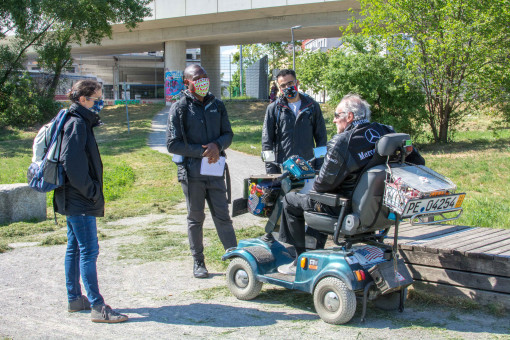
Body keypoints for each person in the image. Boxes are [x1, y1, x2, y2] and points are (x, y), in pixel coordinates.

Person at [277, 94, 425, 274]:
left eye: (336, 115)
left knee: (292, 200)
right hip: (383, 210)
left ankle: (299, 259)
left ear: (349, 117)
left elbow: (322, 186)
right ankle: (314, 249)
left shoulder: (342, 142)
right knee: (317, 199)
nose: (333, 120)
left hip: (345, 209)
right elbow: (419, 162)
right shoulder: (388, 132)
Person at [53, 80, 128, 323]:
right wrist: (92, 191)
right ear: (83, 99)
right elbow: (71, 164)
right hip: (80, 199)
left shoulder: (77, 121)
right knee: (89, 251)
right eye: (97, 99)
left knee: (75, 248)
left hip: (72, 198)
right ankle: (98, 307)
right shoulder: (77, 124)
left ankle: (75, 299)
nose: (101, 103)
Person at [166, 64, 237, 279]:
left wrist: (218, 145)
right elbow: (172, 144)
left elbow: (228, 134)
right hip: (192, 172)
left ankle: (235, 258)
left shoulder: (218, 105)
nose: (203, 81)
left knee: (223, 216)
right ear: (187, 82)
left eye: (205, 77)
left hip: (215, 171)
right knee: (196, 218)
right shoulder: (179, 108)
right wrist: (203, 152)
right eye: (198, 78)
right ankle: (198, 261)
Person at [262, 69, 327, 174]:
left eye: (290, 83)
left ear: (297, 82)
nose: (287, 88)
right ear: (279, 88)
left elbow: (321, 139)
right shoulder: (273, 109)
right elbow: (267, 142)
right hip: (283, 168)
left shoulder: (312, 106)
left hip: (307, 167)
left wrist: (319, 168)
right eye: (283, 86)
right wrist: (271, 172)